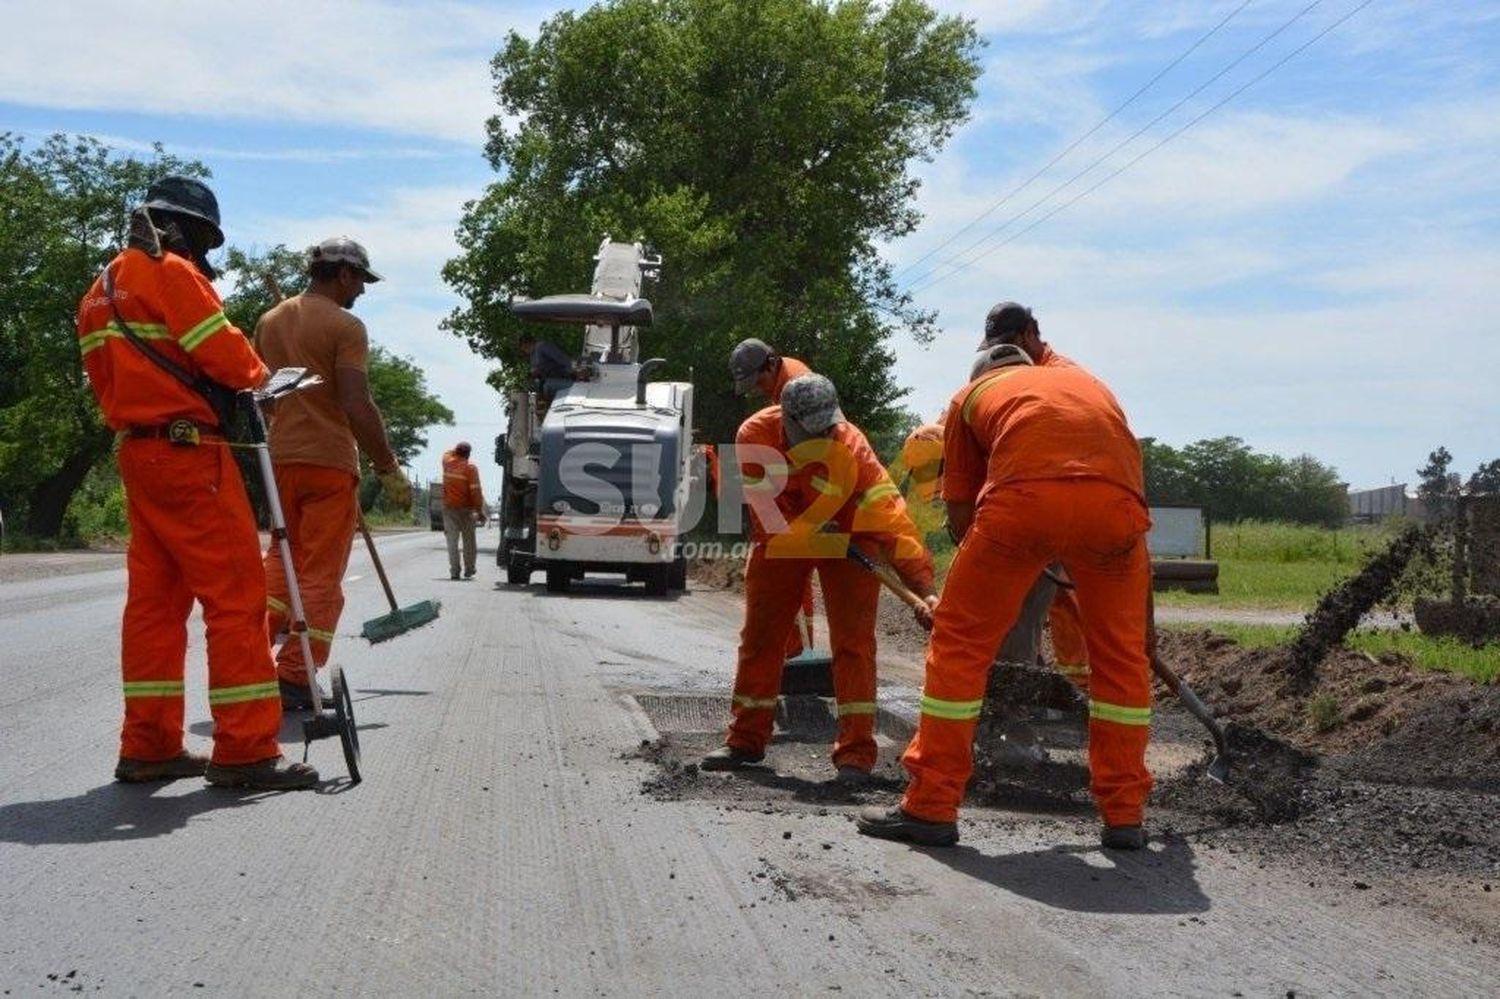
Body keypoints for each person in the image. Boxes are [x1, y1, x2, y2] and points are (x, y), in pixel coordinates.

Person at [858, 344, 1153, 849]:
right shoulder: (1092, 386)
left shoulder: (969, 396)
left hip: (1021, 505)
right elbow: (1122, 477)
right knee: (1122, 659)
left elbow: (959, 507)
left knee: (958, 648)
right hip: (1117, 512)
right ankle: (1125, 816)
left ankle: (931, 805)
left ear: (981, 374)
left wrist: (967, 597)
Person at [76, 175, 316, 790]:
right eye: (203, 239)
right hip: (190, 455)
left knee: (155, 608)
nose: (203, 254)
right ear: (185, 229)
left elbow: (108, 379)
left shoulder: (98, 289)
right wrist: (263, 376)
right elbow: (229, 357)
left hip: (139, 455)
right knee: (236, 597)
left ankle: (149, 744)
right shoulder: (173, 275)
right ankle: (246, 751)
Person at [702, 374, 937, 782]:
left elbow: (893, 524)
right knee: (762, 637)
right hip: (781, 534)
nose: (827, 436)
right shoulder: (754, 435)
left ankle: (855, 756)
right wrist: (808, 529)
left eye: (830, 428)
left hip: (851, 534)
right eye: (815, 431)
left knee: (854, 644)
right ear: (787, 422)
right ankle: (745, 740)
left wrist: (925, 589)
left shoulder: (853, 449)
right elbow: (767, 511)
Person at [255, 237, 410, 711]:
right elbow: (355, 402)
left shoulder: (270, 321)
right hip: (328, 464)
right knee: (320, 576)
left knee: (280, 566)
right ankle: (298, 676)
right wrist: (388, 467)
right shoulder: (347, 325)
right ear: (344, 274)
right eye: (360, 280)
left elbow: (261, 394)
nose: (362, 290)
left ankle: (250, 665)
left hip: (279, 458)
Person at [976, 300, 1091, 686]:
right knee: (1033, 605)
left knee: (1039, 606)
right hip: (1051, 497)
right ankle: (1040, 682)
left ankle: (1033, 695)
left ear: (1029, 335)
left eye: (1008, 342)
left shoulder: (1061, 378)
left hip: (1066, 496)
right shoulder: (1016, 376)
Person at [728, 338, 819, 657]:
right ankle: (797, 649)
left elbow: (806, 449)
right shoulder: (785, 380)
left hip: (813, 485)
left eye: (758, 381)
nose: (757, 389)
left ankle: (797, 651)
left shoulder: (795, 386)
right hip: (805, 483)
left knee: (789, 566)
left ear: (771, 363)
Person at [442, 441, 486, 580]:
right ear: (468, 455)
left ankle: (454, 571)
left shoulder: (447, 462)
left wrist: (457, 451)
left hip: (449, 510)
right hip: (467, 511)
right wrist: (479, 511)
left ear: (456, 452)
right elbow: (476, 492)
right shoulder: (470, 469)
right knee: (469, 542)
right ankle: (469, 569)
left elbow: (448, 452)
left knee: (452, 542)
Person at [728, 337, 812, 405]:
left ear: (771, 364)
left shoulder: (795, 394)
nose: (755, 391)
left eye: (758, 382)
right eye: (749, 387)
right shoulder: (784, 366)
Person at [520, 332, 575, 401]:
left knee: (547, 387)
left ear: (527, 344)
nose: (525, 351)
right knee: (544, 389)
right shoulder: (532, 357)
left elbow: (561, 358)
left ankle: (575, 388)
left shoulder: (541, 347)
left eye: (525, 348)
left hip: (568, 377)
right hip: (553, 380)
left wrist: (573, 371)